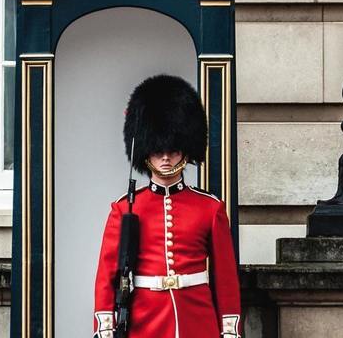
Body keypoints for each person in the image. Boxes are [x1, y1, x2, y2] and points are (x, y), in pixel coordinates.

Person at [92, 74, 241, 338]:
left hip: (196, 319)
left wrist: (229, 330)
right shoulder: (125, 208)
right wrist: (106, 327)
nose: (165, 157)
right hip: (144, 320)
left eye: (172, 150)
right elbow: (107, 275)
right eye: (157, 149)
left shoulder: (210, 208)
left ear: (184, 151)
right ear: (145, 151)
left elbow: (225, 279)